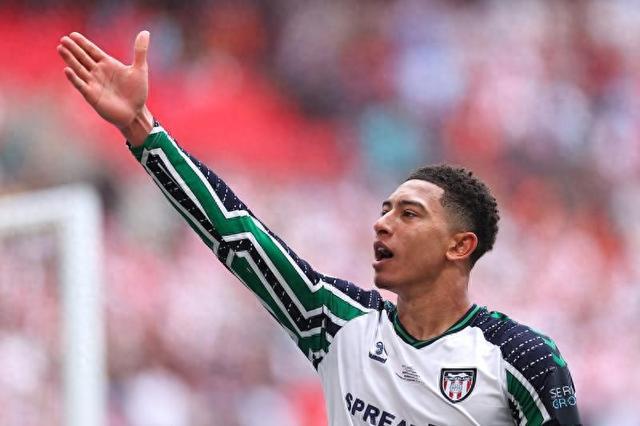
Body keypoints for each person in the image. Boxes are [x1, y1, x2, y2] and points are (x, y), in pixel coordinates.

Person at [57, 31, 582, 426]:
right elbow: (236, 235)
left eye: (408, 214)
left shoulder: (522, 358)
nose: (382, 223)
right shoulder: (337, 323)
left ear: (459, 245)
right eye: (385, 209)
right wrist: (142, 130)